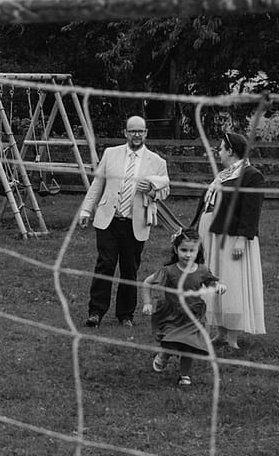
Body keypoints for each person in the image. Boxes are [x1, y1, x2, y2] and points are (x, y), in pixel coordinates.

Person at [76, 115, 170, 327]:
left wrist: (153, 191)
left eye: (140, 131)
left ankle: (125, 314)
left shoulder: (157, 162)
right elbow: (97, 185)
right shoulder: (110, 154)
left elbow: (166, 190)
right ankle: (96, 312)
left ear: (146, 133)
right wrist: (85, 210)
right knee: (105, 265)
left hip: (135, 223)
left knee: (129, 269)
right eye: (132, 131)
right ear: (125, 133)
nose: (136, 134)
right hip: (109, 220)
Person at [196, 132, 267, 350]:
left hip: (232, 237)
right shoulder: (223, 175)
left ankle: (233, 335)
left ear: (230, 150)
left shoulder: (251, 175)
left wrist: (241, 240)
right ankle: (221, 331)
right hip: (214, 235)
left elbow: (251, 210)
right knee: (215, 278)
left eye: (220, 148)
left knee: (232, 282)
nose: (218, 152)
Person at [145, 230, 223, 388]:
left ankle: (184, 374)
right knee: (170, 341)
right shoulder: (169, 270)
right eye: (184, 250)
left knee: (190, 345)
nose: (188, 255)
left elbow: (210, 283)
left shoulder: (202, 270)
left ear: (198, 251)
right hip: (172, 314)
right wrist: (147, 302)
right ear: (176, 249)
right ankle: (164, 354)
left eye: (192, 251)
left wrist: (218, 287)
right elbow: (147, 283)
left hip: (193, 316)